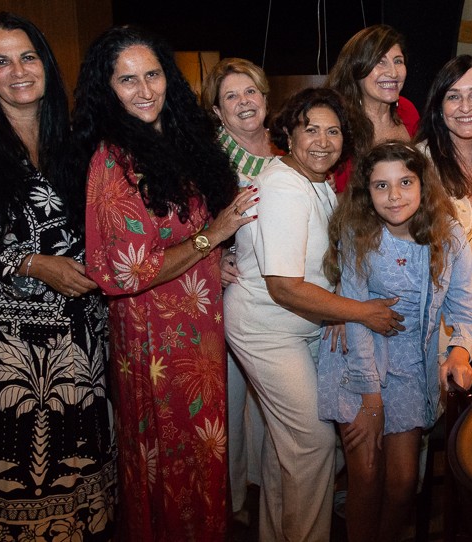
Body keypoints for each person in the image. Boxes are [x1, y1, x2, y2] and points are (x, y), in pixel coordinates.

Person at [0, 12, 116, 539]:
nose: (18, 71)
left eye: (27, 57)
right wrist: (30, 263)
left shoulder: (76, 143)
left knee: (75, 476)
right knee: (6, 474)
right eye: (1, 61)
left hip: (75, 346)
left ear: (46, 64)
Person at [74, 26, 255, 540]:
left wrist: (213, 257)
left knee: (202, 449)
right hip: (155, 336)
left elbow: (188, 230)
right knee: (170, 455)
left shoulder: (177, 142)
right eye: (127, 79)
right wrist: (212, 238)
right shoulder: (113, 160)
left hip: (199, 330)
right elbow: (125, 271)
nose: (145, 90)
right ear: (107, 89)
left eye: (152, 74)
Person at [224, 87, 405, 541]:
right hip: (266, 329)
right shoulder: (284, 185)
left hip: (302, 326)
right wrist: (360, 312)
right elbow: (284, 287)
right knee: (313, 444)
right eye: (312, 130)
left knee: (284, 447)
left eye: (334, 131)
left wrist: (340, 304)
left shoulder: (317, 181)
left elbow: (322, 264)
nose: (323, 141)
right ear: (288, 134)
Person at [317, 141, 472, 542]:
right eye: (381, 186)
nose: (394, 196)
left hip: (411, 367)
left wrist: (459, 352)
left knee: (404, 482)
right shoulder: (359, 234)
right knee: (366, 475)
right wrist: (371, 401)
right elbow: (357, 319)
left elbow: (468, 312)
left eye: (405, 182)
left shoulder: (448, 236)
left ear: (423, 184)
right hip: (357, 361)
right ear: (367, 192)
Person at [200, 56, 276, 520]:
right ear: (217, 110)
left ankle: (270, 492)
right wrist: (214, 258)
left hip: (290, 299)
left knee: (273, 408)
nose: (244, 102)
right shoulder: (209, 160)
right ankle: (233, 503)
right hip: (236, 294)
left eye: (250, 91)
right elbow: (189, 224)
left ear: (265, 97)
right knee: (230, 404)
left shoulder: (290, 143)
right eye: (231, 96)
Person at [415, 54, 472, 320]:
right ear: (439, 107)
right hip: (421, 319)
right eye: (453, 96)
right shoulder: (418, 165)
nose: (465, 107)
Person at [326, 24, 419, 192]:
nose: (393, 73)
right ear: (355, 69)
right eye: (380, 62)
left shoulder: (407, 110)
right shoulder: (335, 119)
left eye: (398, 61)